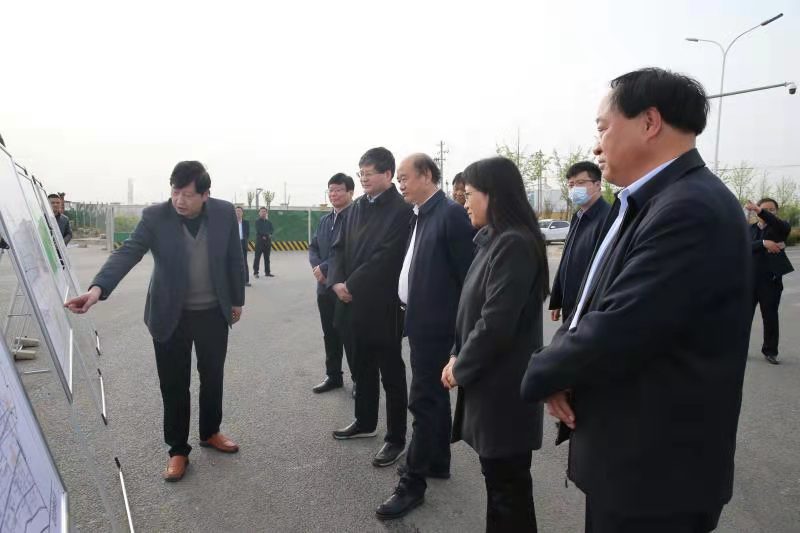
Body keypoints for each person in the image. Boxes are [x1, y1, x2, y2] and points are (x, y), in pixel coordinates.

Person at [521, 68, 752, 532]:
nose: (596, 146)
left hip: (658, 474)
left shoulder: (689, 208)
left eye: (603, 128)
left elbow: (620, 326)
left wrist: (541, 372)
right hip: (634, 462)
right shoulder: (651, 202)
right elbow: (592, 303)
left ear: (649, 122)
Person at [65, 161, 245, 482]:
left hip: (212, 313)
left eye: (187, 194)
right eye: (175, 192)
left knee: (212, 376)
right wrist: (97, 289)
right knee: (174, 384)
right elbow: (128, 252)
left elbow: (234, 256)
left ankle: (210, 432)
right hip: (170, 314)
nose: (179, 200)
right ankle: (177, 450)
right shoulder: (155, 217)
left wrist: (237, 300)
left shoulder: (223, 213)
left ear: (205, 194)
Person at [441, 156, 548, 532]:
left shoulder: (513, 244)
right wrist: (456, 353)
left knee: (508, 490)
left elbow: (495, 323)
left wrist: (460, 366)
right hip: (491, 384)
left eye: (469, 194)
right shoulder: (493, 241)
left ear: (494, 195)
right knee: (502, 487)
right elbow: (472, 311)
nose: (464, 203)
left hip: (504, 389)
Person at [376, 154, 474, 520]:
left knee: (422, 403)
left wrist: (458, 339)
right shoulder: (420, 214)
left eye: (405, 177)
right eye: (399, 178)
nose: (400, 183)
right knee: (434, 398)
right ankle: (437, 461)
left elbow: (469, 280)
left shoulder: (449, 215)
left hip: (437, 328)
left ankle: (411, 483)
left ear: (427, 175)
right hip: (419, 322)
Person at [328, 147, 411, 468]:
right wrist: (337, 282)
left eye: (369, 173)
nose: (363, 179)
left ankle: (396, 438)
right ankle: (364, 422)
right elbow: (337, 249)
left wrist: (351, 285)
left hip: (382, 306)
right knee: (361, 369)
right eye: (360, 173)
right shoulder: (356, 208)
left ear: (388, 174)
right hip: (350, 305)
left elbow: (387, 257)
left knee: (391, 373)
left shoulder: (401, 211)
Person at [309, 173, 355, 394]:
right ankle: (333, 376)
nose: (334, 194)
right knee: (330, 334)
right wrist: (317, 267)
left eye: (338, 190)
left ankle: (359, 380)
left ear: (350, 192)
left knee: (351, 336)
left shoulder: (356, 218)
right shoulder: (325, 220)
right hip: (324, 288)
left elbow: (349, 251)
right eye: (331, 190)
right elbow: (313, 247)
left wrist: (325, 268)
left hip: (345, 287)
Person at [549, 161, 610, 323]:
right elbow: (567, 259)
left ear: (597, 185)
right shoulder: (577, 217)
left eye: (580, 183)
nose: (574, 188)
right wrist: (558, 299)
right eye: (571, 185)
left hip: (590, 310)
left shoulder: (609, 218)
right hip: (570, 305)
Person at [745, 198, 794, 365]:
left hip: (771, 282)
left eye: (772, 209)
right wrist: (764, 243)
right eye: (764, 209)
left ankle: (770, 351)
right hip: (749, 281)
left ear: (776, 212)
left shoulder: (781, 227)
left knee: (770, 317)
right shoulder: (749, 229)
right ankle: (741, 348)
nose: (768, 212)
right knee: (744, 318)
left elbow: (774, 222)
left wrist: (759, 210)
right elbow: (743, 246)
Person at [253, 207, 274, 278]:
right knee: (257, 258)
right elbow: (259, 231)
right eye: (262, 211)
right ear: (259, 213)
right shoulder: (257, 222)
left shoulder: (269, 222)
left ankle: (267, 272)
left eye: (264, 211)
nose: (263, 213)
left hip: (267, 243)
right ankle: (256, 273)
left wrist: (268, 235)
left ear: (266, 213)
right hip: (259, 243)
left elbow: (271, 230)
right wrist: (266, 235)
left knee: (267, 258)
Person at [235, 206, 251, 287]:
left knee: (244, 262)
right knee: (234, 263)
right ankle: (235, 281)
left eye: (239, 211)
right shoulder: (231, 222)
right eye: (236, 211)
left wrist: (244, 241)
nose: (238, 212)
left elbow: (247, 233)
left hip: (243, 244)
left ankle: (246, 281)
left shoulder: (246, 223)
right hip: (234, 244)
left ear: (242, 213)